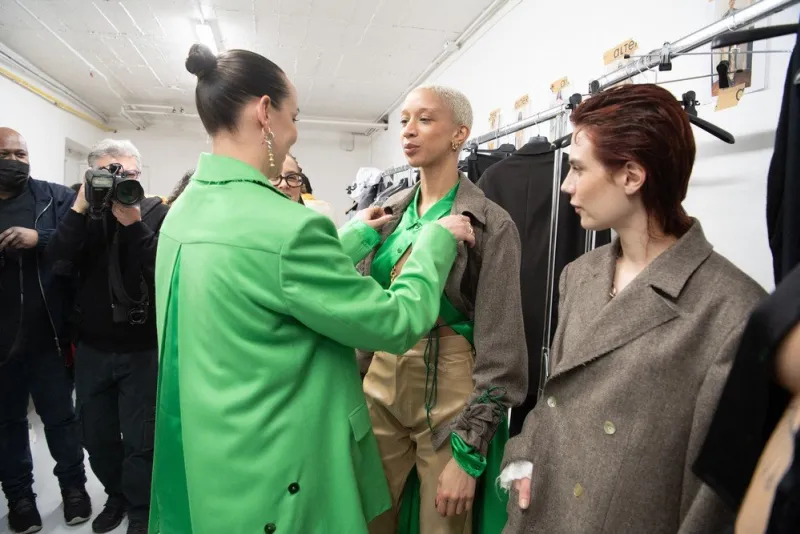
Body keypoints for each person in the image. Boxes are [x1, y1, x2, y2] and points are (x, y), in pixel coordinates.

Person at [148, 44, 475, 534]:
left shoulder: (184, 213)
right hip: (281, 472)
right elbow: (393, 321)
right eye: (293, 116)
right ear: (265, 113)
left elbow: (268, 277)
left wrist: (357, 236)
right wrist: (433, 243)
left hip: (212, 456)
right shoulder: (288, 227)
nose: (293, 130)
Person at [500, 84, 767, 534]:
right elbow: (557, 395)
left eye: (579, 169)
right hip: (542, 510)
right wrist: (523, 454)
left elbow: (712, 501)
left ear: (631, 176)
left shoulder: (731, 311)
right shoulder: (579, 275)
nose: (566, 184)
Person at [357, 85, 527, 534]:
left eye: (425, 120)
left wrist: (469, 453)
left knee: (443, 525)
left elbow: (502, 348)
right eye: (404, 121)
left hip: (452, 392)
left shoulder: (492, 222)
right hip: (380, 380)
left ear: (459, 134)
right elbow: (362, 311)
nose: (408, 132)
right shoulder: (385, 215)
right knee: (364, 517)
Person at [46, 139, 169, 534]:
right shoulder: (79, 213)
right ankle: (115, 494)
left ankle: (139, 507)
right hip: (93, 349)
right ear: (90, 177)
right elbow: (57, 262)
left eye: (130, 174)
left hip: (142, 350)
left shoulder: (156, 213)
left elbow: (162, 273)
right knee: (94, 435)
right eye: (111, 174)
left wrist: (135, 226)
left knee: (140, 439)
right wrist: (82, 207)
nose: (122, 182)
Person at [0, 128, 91, 533]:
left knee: (61, 419)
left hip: (48, 335)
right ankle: (19, 496)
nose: (15, 161)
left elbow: (83, 240)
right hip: (1, 344)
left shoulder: (53, 197)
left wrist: (41, 238)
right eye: (6, 154)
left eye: (21, 153)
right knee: (8, 424)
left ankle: (74, 489)